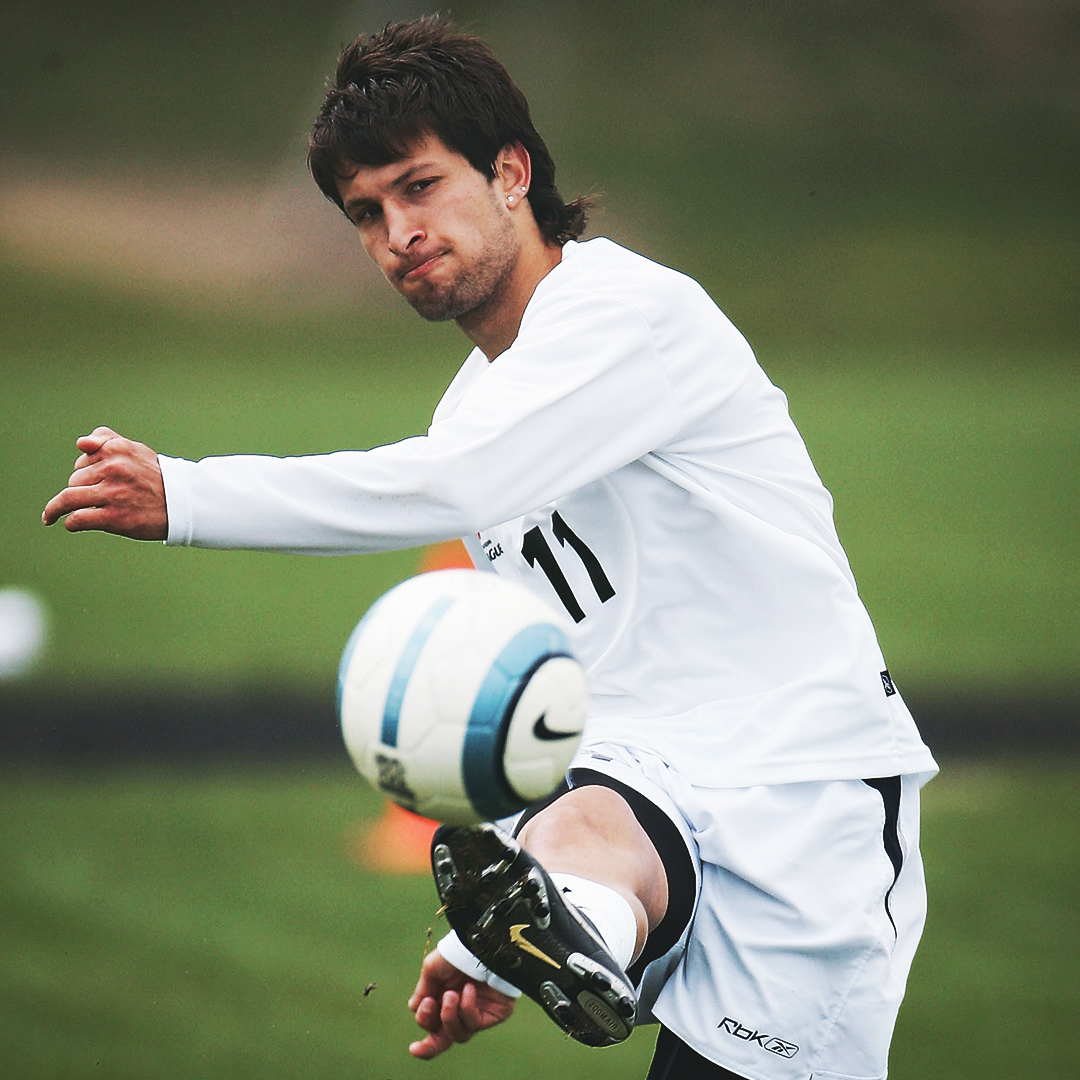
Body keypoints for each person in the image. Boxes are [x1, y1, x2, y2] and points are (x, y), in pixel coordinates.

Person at [42, 17, 938, 1079]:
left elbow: (450, 480)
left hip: (799, 790)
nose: (395, 234)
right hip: (645, 785)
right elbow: (564, 684)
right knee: (577, 824)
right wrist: (492, 948)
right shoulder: (483, 402)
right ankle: (579, 937)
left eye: (420, 188)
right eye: (366, 213)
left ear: (512, 171)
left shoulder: (624, 314)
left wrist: (186, 495)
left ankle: (587, 929)